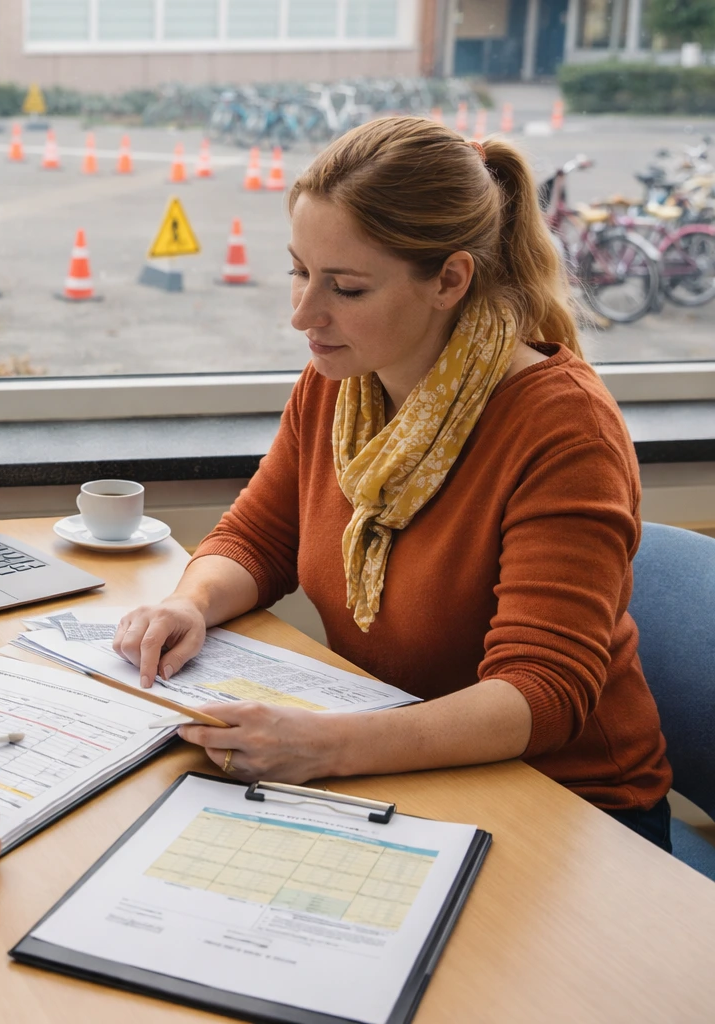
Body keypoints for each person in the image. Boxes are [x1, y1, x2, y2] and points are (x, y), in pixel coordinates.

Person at [115, 117, 673, 850]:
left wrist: (327, 746)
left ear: (449, 280)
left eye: (344, 287)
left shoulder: (563, 430)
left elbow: (539, 695)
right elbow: (259, 537)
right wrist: (190, 603)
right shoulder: (343, 380)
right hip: (410, 767)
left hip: (572, 807)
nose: (303, 315)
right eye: (299, 271)